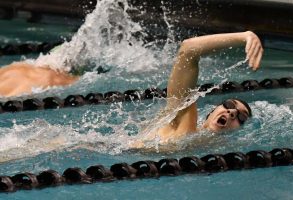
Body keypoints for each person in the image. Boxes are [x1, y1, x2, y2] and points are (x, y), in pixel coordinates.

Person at [0, 31, 263, 142]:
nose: (231, 113)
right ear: (212, 110)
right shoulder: (185, 117)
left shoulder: (198, 142)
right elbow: (188, 49)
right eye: (230, 106)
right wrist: (245, 36)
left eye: (240, 117)